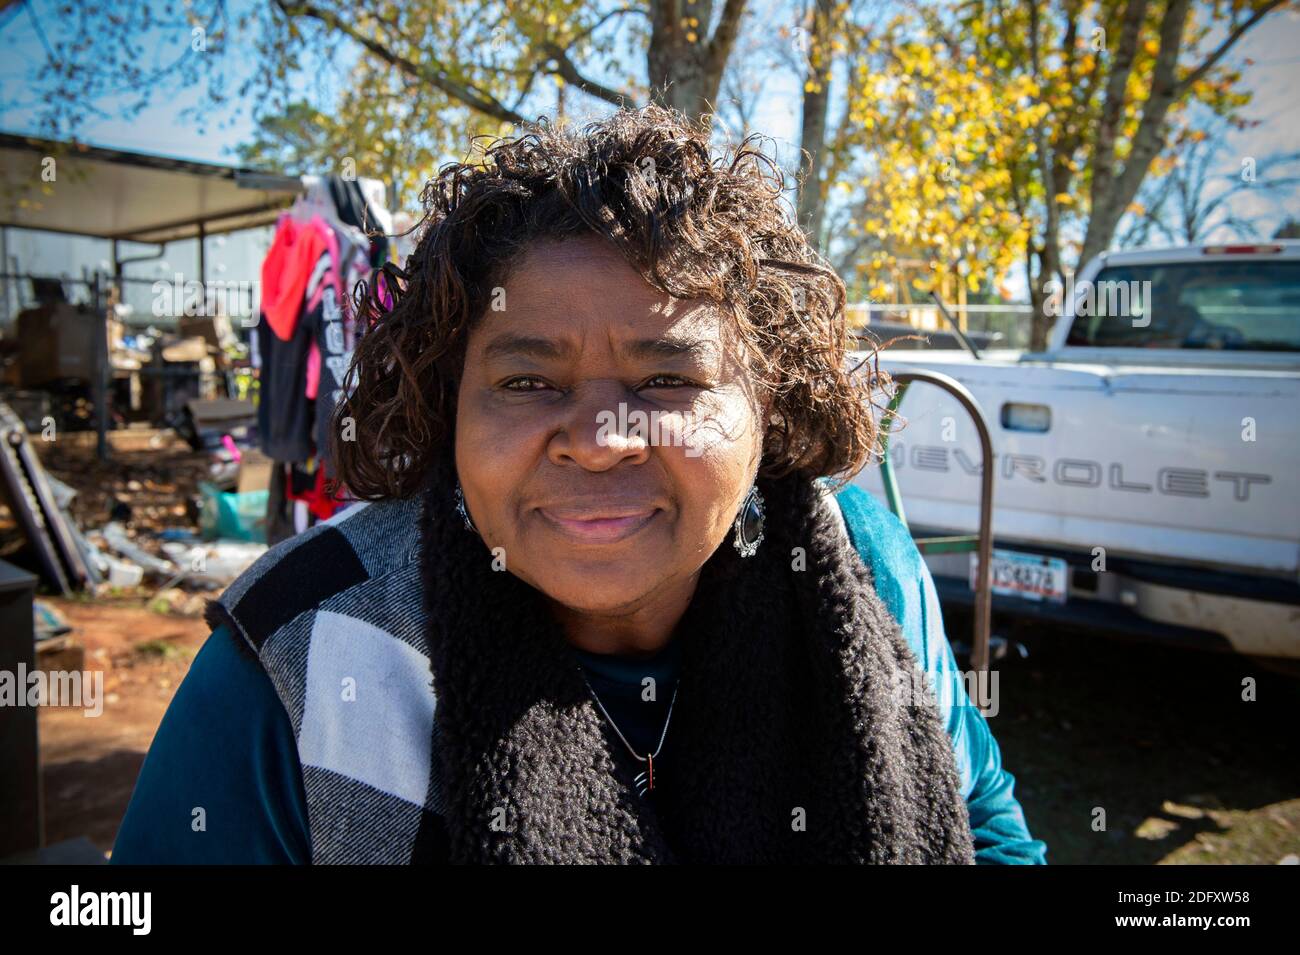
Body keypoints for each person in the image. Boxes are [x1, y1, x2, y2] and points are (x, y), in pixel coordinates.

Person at [112, 106, 1046, 865]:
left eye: (668, 379)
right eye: (527, 383)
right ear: (449, 411)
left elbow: (984, 825)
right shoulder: (304, 651)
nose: (601, 441)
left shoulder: (860, 567)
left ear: (770, 405)